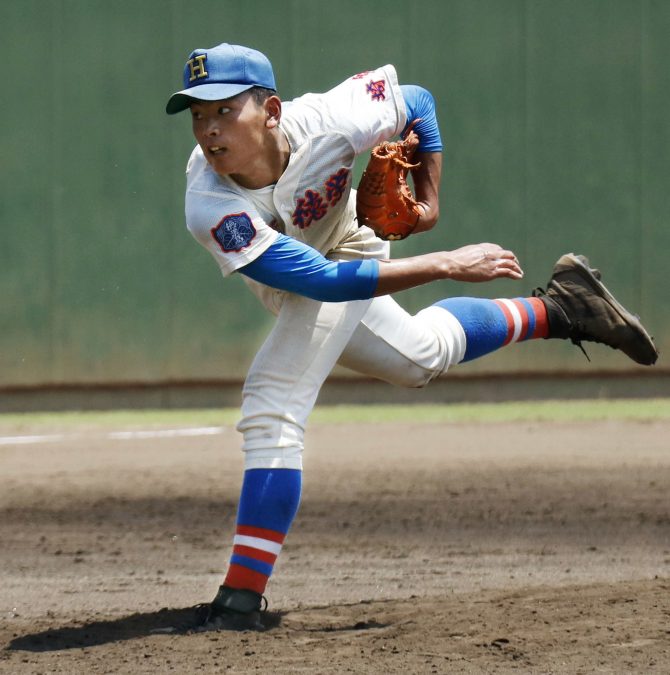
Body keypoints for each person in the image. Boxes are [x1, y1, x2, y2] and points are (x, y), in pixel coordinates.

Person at [166, 43, 658, 631]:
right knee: (418, 358)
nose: (209, 129)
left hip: (353, 242)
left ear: (270, 109)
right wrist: (446, 262)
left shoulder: (333, 116)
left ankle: (240, 599)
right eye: (198, 114)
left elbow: (417, 103)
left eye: (224, 111)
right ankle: (561, 309)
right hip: (320, 274)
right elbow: (322, 282)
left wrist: (428, 202)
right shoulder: (210, 204)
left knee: (273, 403)